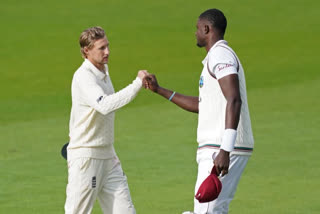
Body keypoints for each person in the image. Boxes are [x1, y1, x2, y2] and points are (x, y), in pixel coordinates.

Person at [145, 9, 254, 214]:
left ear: (206, 29)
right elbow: (203, 105)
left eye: (197, 28)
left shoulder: (220, 55)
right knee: (215, 210)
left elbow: (234, 99)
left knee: (205, 211)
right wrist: (160, 90)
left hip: (219, 147)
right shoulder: (215, 58)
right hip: (221, 146)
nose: (195, 33)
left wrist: (225, 149)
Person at [65, 26, 147, 214]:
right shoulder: (83, 76)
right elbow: (105, 105)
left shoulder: (103, 71)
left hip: (108, 157)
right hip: (87, 158)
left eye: (107, 46)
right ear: (86, 51)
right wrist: (137, 84)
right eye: (101, 48)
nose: (107, 52)